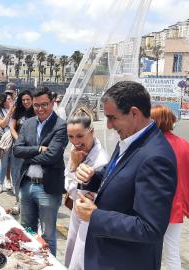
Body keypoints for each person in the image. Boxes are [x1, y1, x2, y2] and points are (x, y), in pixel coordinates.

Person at [75, 81, 177, 270]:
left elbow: (150, 228)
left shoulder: (155, 157)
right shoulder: (130, 139)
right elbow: (112, 176)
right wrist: (91, 177)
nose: (109, 125)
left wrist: (95, 216)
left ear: (134, 113)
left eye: (112, 118)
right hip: (106, 257)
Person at [13, 87, 68, 255]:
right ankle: (29, 262)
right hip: (26, 183)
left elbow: (52, 156)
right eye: (36, 105)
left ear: (53, 103)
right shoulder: (28, 123)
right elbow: (17, 150)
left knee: (48, 234)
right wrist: (39, 149)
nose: (40, 109)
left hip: (48, 187)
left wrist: (28, 156)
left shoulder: (60, 126)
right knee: (27, 231)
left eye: (44, 104)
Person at [150, 105, 189, 270]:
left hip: (154, 206)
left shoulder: (152, 144)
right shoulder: (184, 144)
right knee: (172, 251)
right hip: (177, 205)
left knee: (149, 249)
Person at [63, 107, 109, 270]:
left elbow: (76, 191)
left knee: (81, 260)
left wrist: (74, 167)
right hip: (77, 213)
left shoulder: (100, 161)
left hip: (89, 218)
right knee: (72, 253)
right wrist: (74, 166)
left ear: (92, 132)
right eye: (71, 136)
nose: (75, 141)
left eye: (80, 136)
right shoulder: (76, 152)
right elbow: (68, 183)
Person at [8, 90, 35, 214]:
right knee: (17, 175)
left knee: (31, 175)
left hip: (32, 149)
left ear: (32, 99)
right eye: (23, 100)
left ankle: (31, 203)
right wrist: (19, 140)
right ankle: (18, 202)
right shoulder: (17, 111)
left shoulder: (37, 111)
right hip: (18, 148)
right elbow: (12, 127)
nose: (25, 102)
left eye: (28, 99)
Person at [0, 93, 14, 194]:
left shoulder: (17, 110)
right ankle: (0, 184)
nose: (11, 101)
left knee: (14, 163)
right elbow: (2, 123)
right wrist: (10, 111)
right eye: (8, 99)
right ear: (4, 101)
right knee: (4, 163)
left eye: (12, 99)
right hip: (5, 140)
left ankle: (13, 184)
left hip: (15, 138)